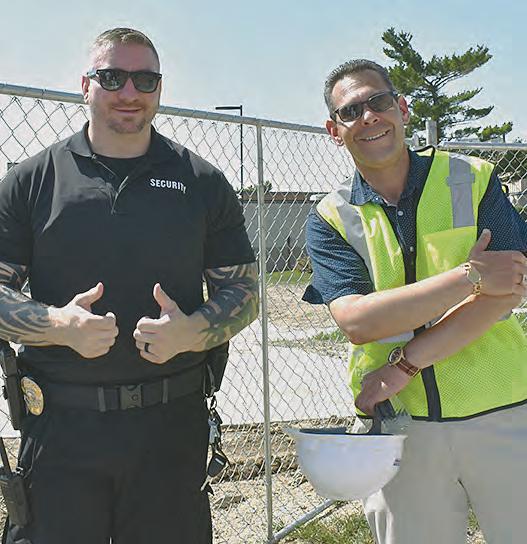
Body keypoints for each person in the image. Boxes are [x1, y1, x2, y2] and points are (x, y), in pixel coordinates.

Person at [0, 27, 258, 544]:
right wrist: (57, 325)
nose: (129, 92)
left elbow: (245, 292)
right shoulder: (33, 181)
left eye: (145, 80)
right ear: (86, 85)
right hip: (61, 431)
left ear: (160, 88)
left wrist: (192, 332)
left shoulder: (201, 181)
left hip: (171, 427)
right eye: (113, 77)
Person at [303, 58, 527, 544]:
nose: (368, 116)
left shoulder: (471, 178)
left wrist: (407, 363)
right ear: (334, 130)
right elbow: (358, 322)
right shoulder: (330, 217)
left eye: (379, 102)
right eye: (350, 111)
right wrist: (471, 276)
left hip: (506, 409)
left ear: (402, 109)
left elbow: (509, 286)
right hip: (401, 428)